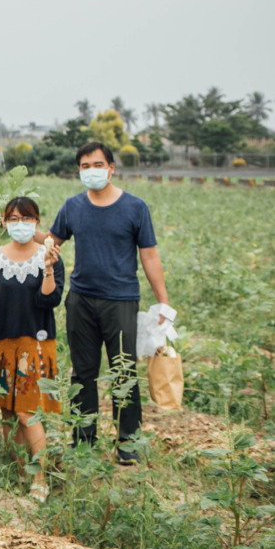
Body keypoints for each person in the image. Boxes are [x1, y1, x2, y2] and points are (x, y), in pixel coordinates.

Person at [46, 141, 169, 464]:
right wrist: (18, 225)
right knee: (82, 373)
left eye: (97, 165)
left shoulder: (135, 208)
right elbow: (51, 240)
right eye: (85, 167)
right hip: (81, 301)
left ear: (111, 168)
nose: (91, 171)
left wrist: (163, 304)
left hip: (121, 302)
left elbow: (150, 256)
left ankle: (128, 441)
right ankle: (83, 441)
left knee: (124, 371)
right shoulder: (72, 207)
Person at [0, 197, 64, 502]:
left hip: (34, 345)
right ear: (3, 222)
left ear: (37, 222)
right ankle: (17, 470)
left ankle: (39, 479)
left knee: (26, 412)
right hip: (3, 343)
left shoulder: (49, 257)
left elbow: (48, 301)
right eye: (14, 219)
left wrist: (47, 270)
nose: (20, 224)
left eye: (27, 219)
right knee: (7, 411)